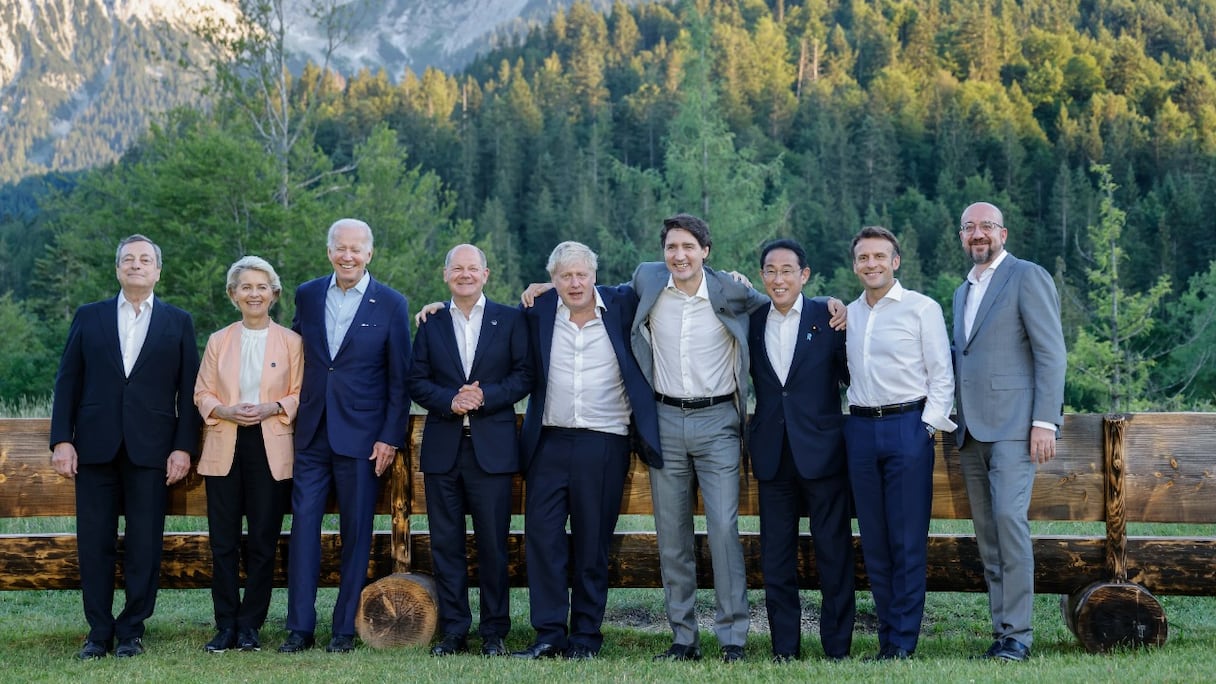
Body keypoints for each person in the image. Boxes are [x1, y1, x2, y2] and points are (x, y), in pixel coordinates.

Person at [49, 234, 201, 660]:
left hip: (152, 452)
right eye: (128, 259)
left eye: (145, 259)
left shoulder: (178, 321)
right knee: (93, 542)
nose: (136, 265)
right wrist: (62, 439)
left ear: (157, 271)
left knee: (145, 543)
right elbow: (67, 381)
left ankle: (132, 629)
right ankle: (98, 631)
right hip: (93, 449)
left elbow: (188, 391)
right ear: (118, 269)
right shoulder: (89, 316)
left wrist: (182, 448)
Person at [513, 241, 662, 661]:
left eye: (581, 274)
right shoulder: (538, 310)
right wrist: (435, 308)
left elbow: (669, 270)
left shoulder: (622, 304)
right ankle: (547, 635)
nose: (574, 283)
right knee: (542, 540)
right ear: (553, 279)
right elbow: (491, 323)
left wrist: (735, 280)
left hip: (604, 441)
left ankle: (584, 639)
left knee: (593, 544)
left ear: (594, 275)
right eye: (565, 276)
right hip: (548, 441)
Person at [630, 214, 768, 663]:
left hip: (718, 423)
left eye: (689, 246)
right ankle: (683, 637)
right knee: (672, 535)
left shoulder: (731, 290)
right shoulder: (648, 279)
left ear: (705, 251)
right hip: (665, 418)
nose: (679, 255)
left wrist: (833, 307)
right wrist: (542, 289)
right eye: (672, 247)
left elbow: (780, 302)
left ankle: (732, 638)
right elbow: (592, 291)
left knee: (724, 530)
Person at [279, 219, 412, 654]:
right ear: (329, 251)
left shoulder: (391, 303)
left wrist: (389, 437)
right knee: (303, 530)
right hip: (311, 433)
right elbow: (295, 356)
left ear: (369, 253)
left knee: (357, 534)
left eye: (356, 248)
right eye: (340, 247)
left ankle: (342, 629)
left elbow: (399, 379)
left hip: (364, 438)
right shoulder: (308, 293)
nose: (347, 255)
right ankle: (299, 627)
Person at [952, 202, 1066, 662]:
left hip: (1016, 429)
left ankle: (1018, 633)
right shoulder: (963, 290)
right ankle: (1002, 631)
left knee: (1009, 524)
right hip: (970, 430)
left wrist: (1044, 421)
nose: (978, 234)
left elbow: (1051, 353)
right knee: (988, 533)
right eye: (969, 228)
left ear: (1003, 232)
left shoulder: (1027, 275)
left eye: (986, 227)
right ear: (962, 236)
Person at [406, 244, 531, 658]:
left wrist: (485, 396)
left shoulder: (510, 320)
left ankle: (494, 632)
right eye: (456, 268)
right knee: (446, 544)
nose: (464, 274)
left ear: (486, 274)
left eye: (471, 268)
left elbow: (524, 376)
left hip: (492, 451)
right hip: (443, 450)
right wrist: (449, 400)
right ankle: (455, 629)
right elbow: (416, 380)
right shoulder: (431, 322)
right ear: (446, 275)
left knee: (494, 544)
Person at [843, 225, 955, 661]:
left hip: (908, 426)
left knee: (906, 541)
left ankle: (903, 643)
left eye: (878, 257)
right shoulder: (847, 314)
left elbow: (941, 376)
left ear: (895, 262)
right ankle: (887, 636)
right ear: (855, 265)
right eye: (863, 258)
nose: (870, 264)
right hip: (860, 430)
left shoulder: (921, 309)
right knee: (873, 540)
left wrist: (925, 429)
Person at [747, 238, 854, 662]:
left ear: (804, 275)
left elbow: (852, 375)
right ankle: (784, 649)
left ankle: (837, 648)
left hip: (823, 452)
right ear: (762, 277)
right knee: (776, 558)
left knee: (834, 554)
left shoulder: (828, 318)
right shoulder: (751, 319)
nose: (779, 278)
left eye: (787, 270)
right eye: (770, 270)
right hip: (773, 455)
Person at [194, 256, 303, 653]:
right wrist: (223, 409)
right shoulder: (218, 340)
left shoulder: (292, 342)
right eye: (246, 287)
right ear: (233, 294)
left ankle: (250, 624)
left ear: (273, 294)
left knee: (262, 540)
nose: (254, 294)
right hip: (225, 442)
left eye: (262, 287)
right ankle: (225, 623)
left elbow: (300, 392)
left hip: (270, 446)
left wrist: (272, 407)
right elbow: (201, 391)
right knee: (223, 541)